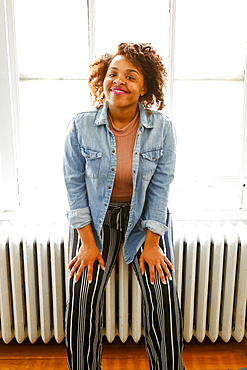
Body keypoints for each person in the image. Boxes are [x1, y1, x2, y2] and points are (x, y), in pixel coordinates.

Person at [63, 42, 184, 370]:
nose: (119, 81)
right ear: (103, 78)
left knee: (162, 296)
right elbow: (74, 188)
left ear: (145, 87)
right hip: (95, 220)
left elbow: (160, 190)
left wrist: (152, 245)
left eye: (131, 76)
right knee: (82, 299)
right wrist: (87, 244)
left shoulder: (163, 128)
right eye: (113, 73)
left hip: (145, 218)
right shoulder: (80, 125)